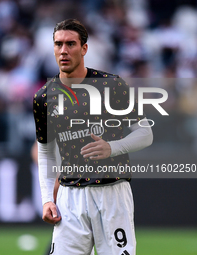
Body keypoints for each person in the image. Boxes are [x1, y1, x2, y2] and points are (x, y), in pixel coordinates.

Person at [33, 19, 153, 255]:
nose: (64, 51)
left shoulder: (111, 86)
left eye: (71, 44)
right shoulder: (43, 97)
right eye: (58, 44)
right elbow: (45, 151)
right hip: (69, 199)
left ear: (84, 48)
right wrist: (48, 199)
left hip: (112, 194)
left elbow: (145, 133)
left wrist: (112, 147)